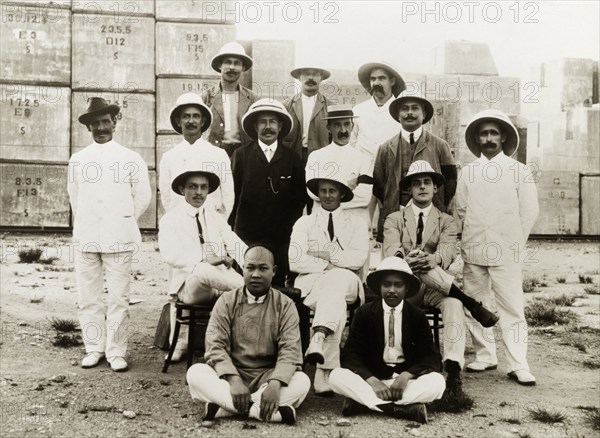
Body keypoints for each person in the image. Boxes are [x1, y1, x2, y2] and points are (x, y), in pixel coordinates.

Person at [382, 160, 498, 395]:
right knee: (419, 267)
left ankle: (453, 371)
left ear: (436, 188)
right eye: (417, 183)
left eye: (428, 182)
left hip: (436, 287)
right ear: (409, 189)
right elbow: (390, 251)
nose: (422, 187)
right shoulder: (394, 218)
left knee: (453, 303)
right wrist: (408, 260)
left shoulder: (446, 220)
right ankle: (471, 303)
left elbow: (448, 251)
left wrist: (432, 259)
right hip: (404, 287)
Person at [455, 109, 539, 386]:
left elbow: (529, 212)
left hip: (506, 250)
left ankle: (518, 364)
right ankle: (485, 354)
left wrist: (514, 242)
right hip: (475, 248)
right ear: (477, 139)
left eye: (494, 133)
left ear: (503, 137)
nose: (489, 138)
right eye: (483, 133)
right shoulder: (468, 172)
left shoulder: (519, 171)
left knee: (512, 308)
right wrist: (468, 241)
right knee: (475, 305)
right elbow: (461, 209)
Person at [67, 97, 151, 372]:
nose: (101, 128)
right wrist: (91, 222)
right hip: (87, 235)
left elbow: (142, 197)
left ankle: (116, 352)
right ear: (88, 127)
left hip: (119, 235)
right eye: (95, 124)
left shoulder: (130, 158)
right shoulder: (78, 160)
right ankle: (94, 348)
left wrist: (121, 220)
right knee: (88, 297)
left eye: (105, 122)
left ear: (115, 123)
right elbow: (74, 197)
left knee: (118, 298)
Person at [186, 245, 310, 425]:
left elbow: (290, 350)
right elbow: (215, 346)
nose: (256, 274)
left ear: (273, 271)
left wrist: (275, 384)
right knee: (195, 373)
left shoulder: (285, 305)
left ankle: (225, 408)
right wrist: (234, 380)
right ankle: (264, 411)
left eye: (263, 268)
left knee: (302, 381)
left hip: (268, 376)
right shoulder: (226, 301)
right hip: (231, 376)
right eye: (250, 267)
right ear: (242, 269)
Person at [328, 257, 445, 424]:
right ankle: (398, 409)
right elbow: (350, 355)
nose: (392, 290)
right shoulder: (365, 313)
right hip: (373, 379)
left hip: (405, 382)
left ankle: (364, 403)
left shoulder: (417, 315)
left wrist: (406, 375)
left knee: (437, 382)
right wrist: (372, 380)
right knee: (336, 376)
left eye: (398, 285)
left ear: (406, 288)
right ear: (379, 287)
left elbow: (432, 358)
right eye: (386, 284)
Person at [288, 176, 368, 396]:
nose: (327, 195)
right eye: (323, 191)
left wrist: (323, 254)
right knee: (334, 290)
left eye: (333, 191)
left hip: (349, 282)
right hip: (312, 285)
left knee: (337, 280)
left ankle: (318, 340)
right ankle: (324, 367)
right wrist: (331, 264)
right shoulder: (304, 222)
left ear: (342, 194)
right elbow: (295, 261)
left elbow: (358, 259)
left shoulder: (357, 223)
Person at [158, 167, 247, 362]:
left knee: (233, 277)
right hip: (191, 286)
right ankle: (254, 290)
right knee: (203, 269)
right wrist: (203, 261)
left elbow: (233, 241)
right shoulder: (170, 220)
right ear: (182, 190)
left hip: (221, 282)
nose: (199, 192)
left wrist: (252, 262)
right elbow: (169, 254)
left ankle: (236, 344)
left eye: (204, 187)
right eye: (193, 187)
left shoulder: (215, 217)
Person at [229, 99, 306, 288]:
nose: (268, 127)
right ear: (255, 126)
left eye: (272, 122)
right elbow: (232, 196)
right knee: (247, 284)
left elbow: (299, 200)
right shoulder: (241, 156)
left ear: (280, 126)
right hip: (247, 234)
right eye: (263, 122)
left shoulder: (292, 159)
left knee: (277, 285)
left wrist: (288, 230)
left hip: (280, 237)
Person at [373, 91, 457, 242]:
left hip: (430, 214)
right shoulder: (385, 148)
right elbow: (378, 185)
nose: (409, 113)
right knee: (394, 260)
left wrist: (435, 205)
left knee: (428, 259)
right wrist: (394, 203)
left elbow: (450, 182)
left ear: (424, 113)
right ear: (398, 115)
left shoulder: (440, 146)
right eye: (404, 108)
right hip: (396, 216)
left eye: (415, 108)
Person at [159, 92, 233, 218]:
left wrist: (219, 223)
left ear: (203, 121)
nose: (191, 121)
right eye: (186, 116)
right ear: (178, 121)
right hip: (180, 223)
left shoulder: (219, 155)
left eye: (196, 116)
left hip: (211, 223)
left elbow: (228, 194)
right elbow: (166, 195)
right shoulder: (169, 157)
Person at [204, 41, 259, 156]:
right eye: (227, 62)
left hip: (244, 154)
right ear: (220, 66)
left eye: (237, 63)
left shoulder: (253, 99)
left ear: (243, 67)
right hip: (214, 152)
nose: (232, 67)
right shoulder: (207, 97)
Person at [350, 62, 405, 161]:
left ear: (392, 81)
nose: (376, 83)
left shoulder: (401, 111)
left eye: (382, 78)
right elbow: (351, 142)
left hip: (390, 170)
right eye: (373, 79)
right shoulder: (358, 110)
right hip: (362, 170)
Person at [282, 66, 332, 167]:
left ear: (321, 77)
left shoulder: (330, 107)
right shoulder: (286, 106)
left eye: (315, 74)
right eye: (306, 73)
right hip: (291, 160)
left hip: (321, 160)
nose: (310, 77)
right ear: (299, 77)